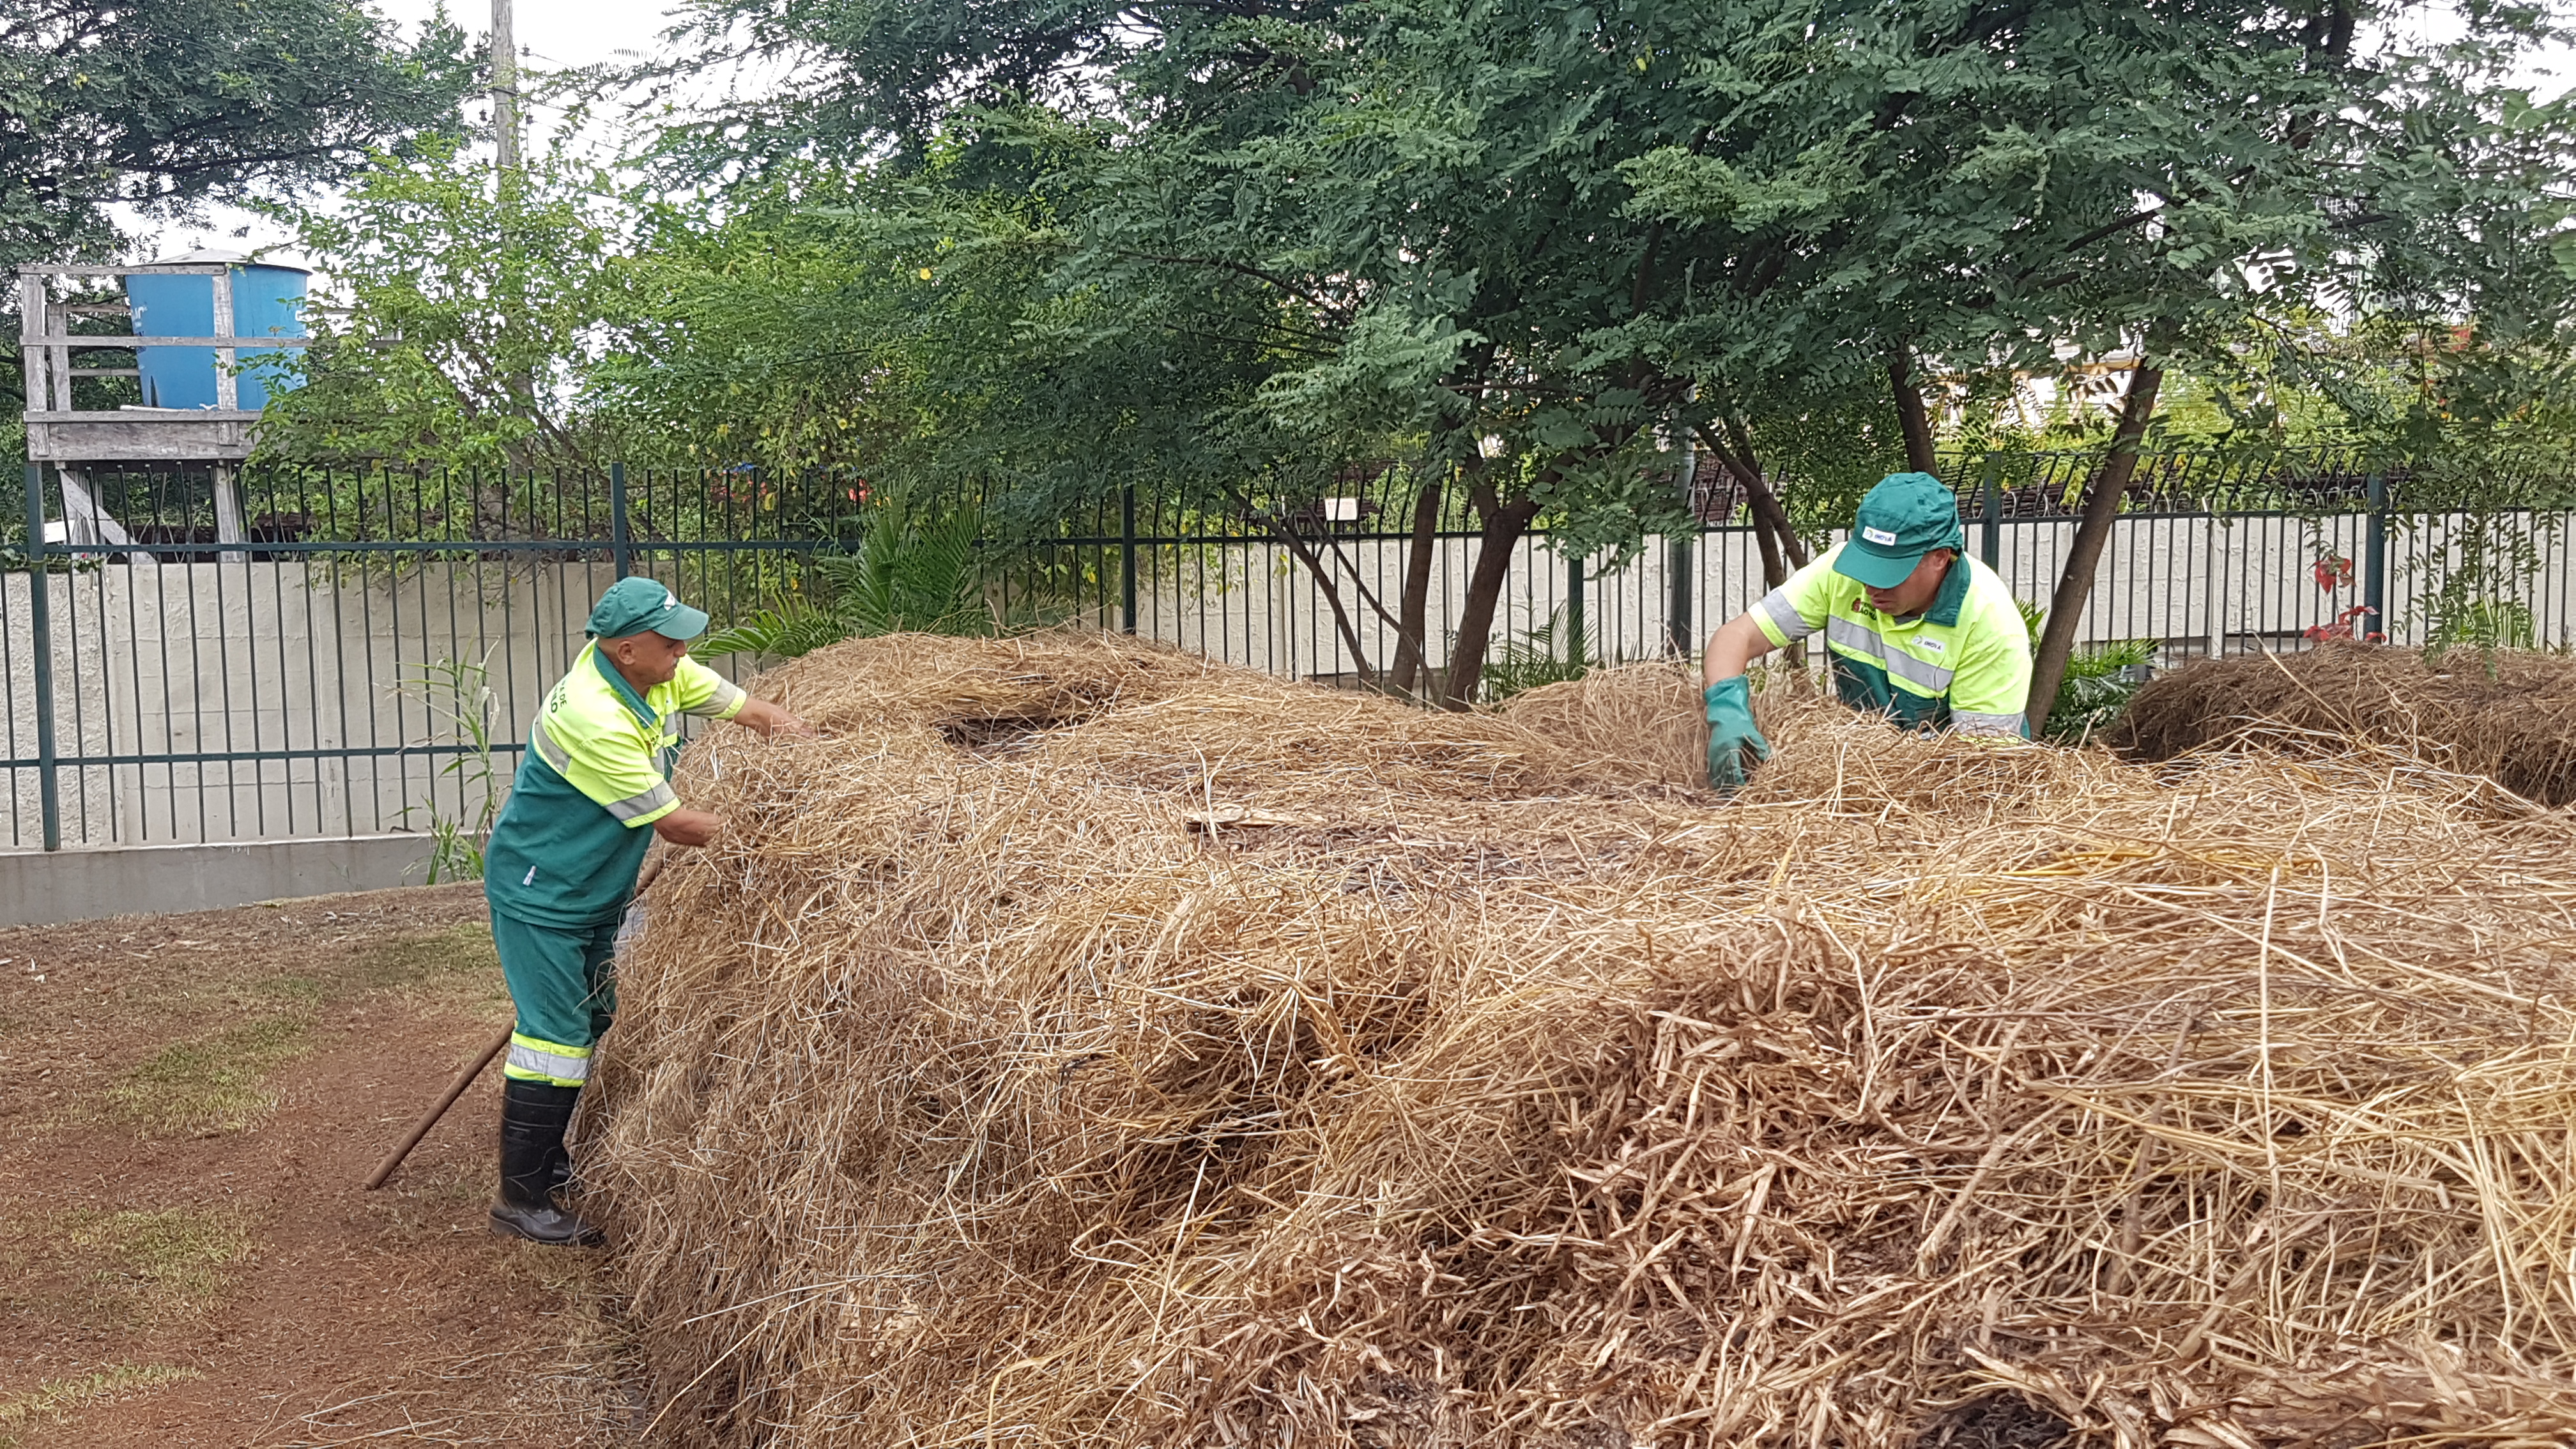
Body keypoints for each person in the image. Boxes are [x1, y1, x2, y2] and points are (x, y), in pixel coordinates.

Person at [481, 577, 812, 1245]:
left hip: (593, 886)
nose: (684, 649)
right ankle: (521, 1197)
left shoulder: (655, 673)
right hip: (543, 891)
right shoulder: (594, 716)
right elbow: (680, 826)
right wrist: (785, 828)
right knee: (554, 1039)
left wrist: (808, 745)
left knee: (593, 1013)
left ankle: (548, 1156)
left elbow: (744, 708)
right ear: (627, 649)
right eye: (671, 641)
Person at [1701, 471, 2034, 790]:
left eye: (1890, 571)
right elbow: (1736, 637)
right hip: (1861, 775)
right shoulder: (1840, 574)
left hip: (1939, 800)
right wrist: (1728, 712)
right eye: (1867, 564)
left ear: (1940, 558)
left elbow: (1983, 770)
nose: (1872, 585)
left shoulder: (1990, 624)